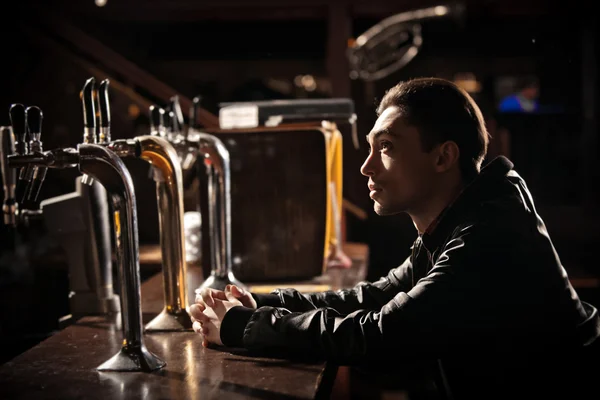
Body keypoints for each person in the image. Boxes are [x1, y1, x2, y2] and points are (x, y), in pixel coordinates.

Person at [190, 77, 600, 399]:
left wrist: (244, 327)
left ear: (443, 157)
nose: (366, 167)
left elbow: (376, 334)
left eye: (385, 147)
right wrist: (259, 302)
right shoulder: (464, 217)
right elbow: (370, 297)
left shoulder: (487, 235)